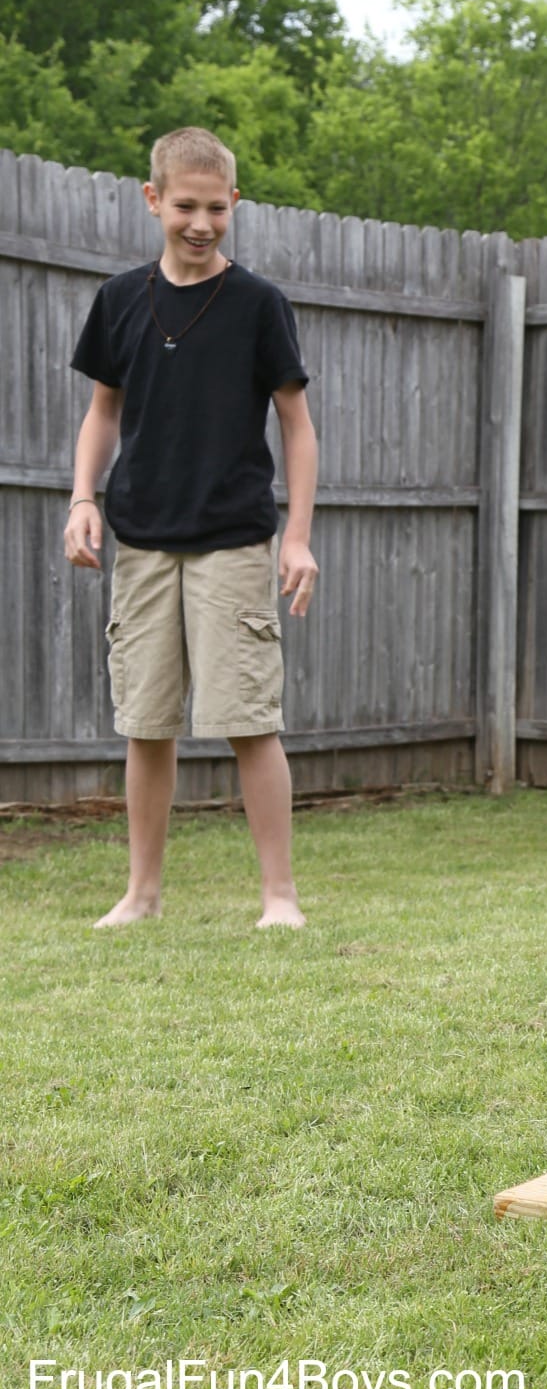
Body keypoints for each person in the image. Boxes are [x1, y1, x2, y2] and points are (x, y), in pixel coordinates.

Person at [63, 126, 319, 929]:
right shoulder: (118, 300)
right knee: (145, 724)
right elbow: (103, 412)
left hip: (234, 539)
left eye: (216, 207)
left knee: (250, 722)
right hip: (140, 540)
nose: (200, 222)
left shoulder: (257, 304)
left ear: (234, 204)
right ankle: (141, 895)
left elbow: (297, 424)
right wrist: (82, 498)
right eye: (184, 206)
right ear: (153, 201)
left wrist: (298, 536)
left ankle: (279, 898)